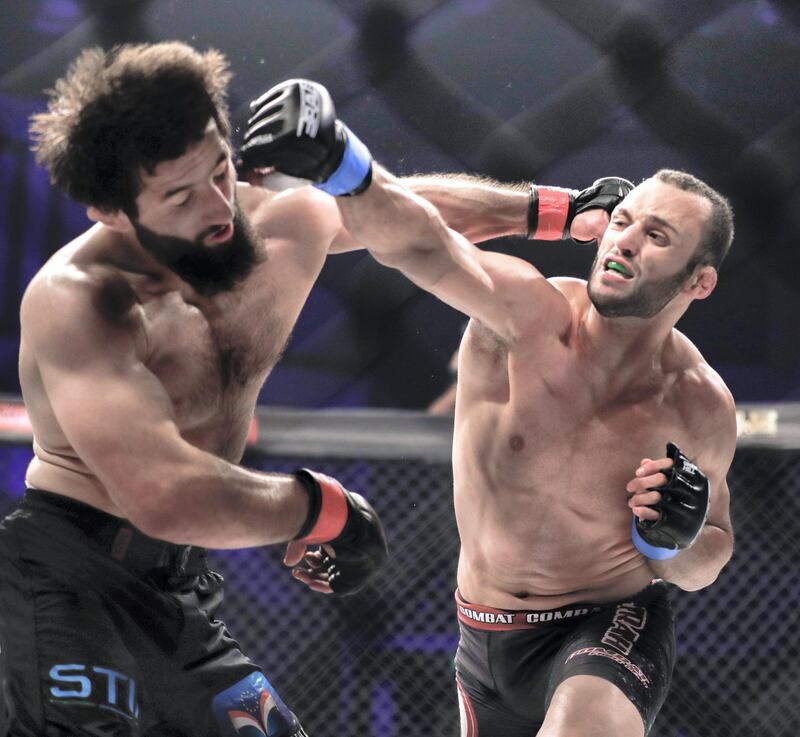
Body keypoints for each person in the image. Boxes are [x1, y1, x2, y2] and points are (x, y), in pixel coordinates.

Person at [242, 80, 736, 737]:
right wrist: (343, 163)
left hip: (610, 626)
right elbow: (423, 243)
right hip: (483, 635)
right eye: (623, 221)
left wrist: (671, 536)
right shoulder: (525, 316)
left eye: (657, 235)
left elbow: (706, 560)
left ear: (698, 280)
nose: (625, 242)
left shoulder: (699, 401)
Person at [0, 43, 396, 737]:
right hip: (66, 581)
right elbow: (165, 493)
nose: (218, 203)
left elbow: (398, 217)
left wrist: (559, 213)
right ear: (111, 210)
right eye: (180, 193)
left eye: (221, 172)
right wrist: (317, 507)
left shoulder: (239, 223)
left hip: (171, 594)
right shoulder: (80, 299)